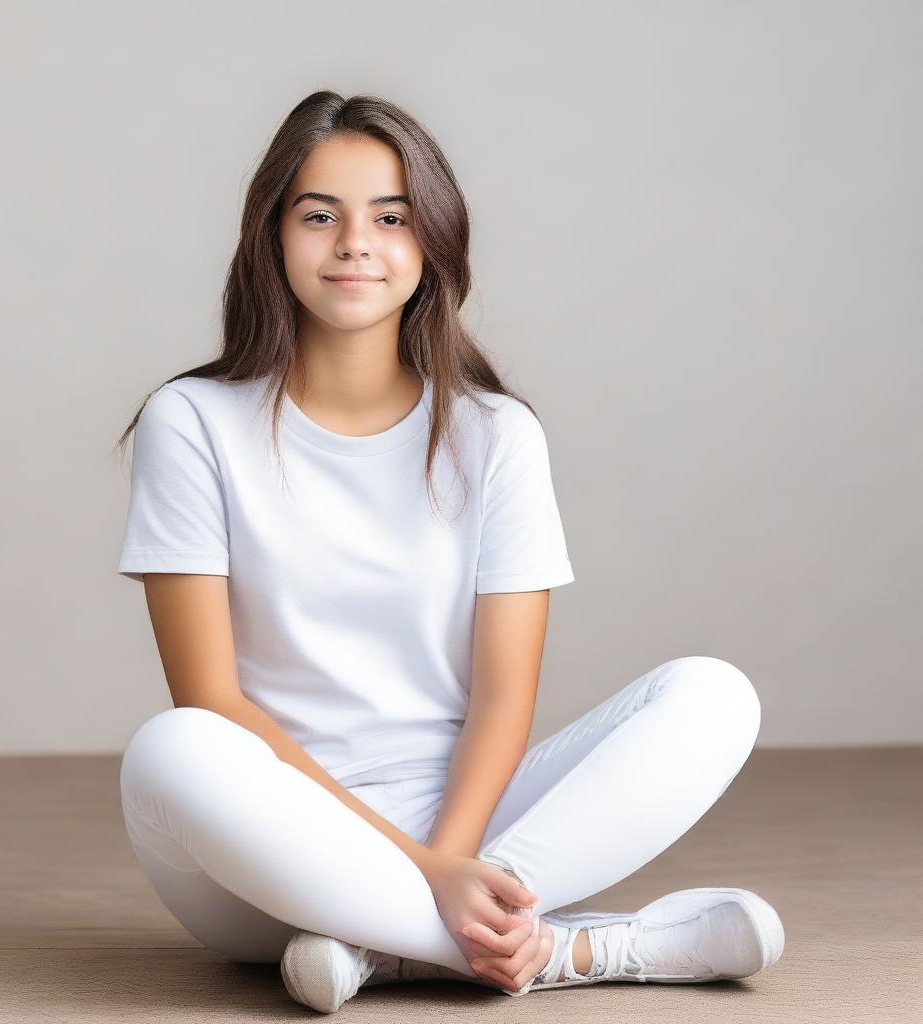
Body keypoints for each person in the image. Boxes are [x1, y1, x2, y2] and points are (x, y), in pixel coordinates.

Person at [113, 90, 785, 1013]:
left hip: (474, 823)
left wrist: (453, 858)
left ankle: (386, 950)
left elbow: (504, 697)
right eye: (321, 216)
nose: (356, 243)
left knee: (714, 695)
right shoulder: (191, 422)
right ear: (270, 235)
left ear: (431, 241)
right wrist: (420, 867)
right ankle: (575, 948)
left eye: (391, 217)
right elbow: (213, 699)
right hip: (271, 846)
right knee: (170, 749)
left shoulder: (495, 435)